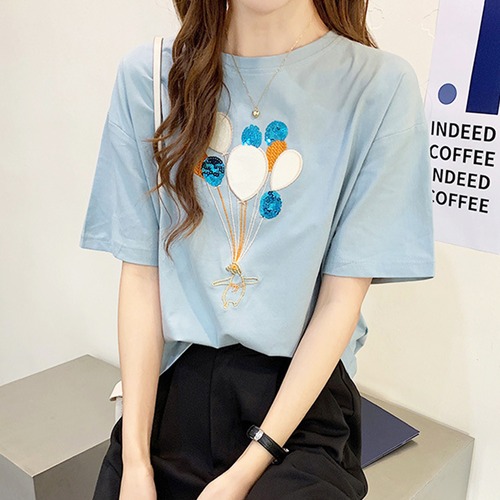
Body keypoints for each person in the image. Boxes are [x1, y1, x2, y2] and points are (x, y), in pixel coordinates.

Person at [79, 0, 435, 498]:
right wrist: (135, 463)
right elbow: (141, 275)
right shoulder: (150, 77)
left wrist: (246, 470)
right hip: (175, 389)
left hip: (298, 405)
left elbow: (340, 300)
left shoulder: (379, 88)